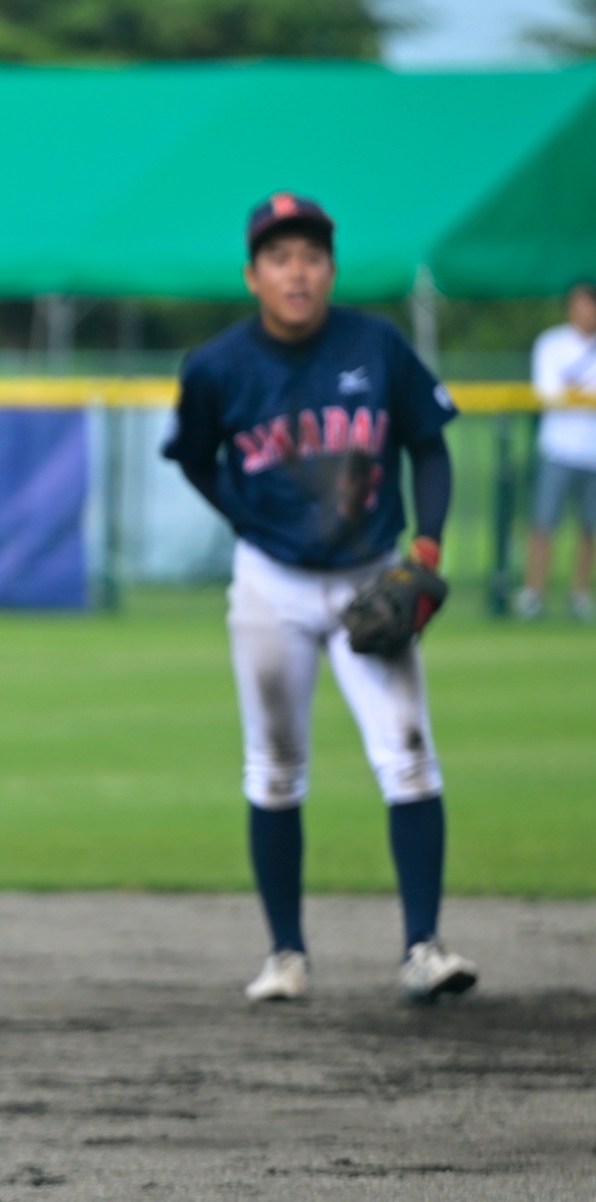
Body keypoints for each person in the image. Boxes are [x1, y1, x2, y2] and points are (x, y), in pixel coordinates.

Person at [164, 193, 478, 1005]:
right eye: (279, 257)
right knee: (274, 767)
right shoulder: (217, 367)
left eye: (310, 256)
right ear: (253, 275)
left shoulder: (375, 344)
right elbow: (194, 457)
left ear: (331, 269)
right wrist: (243, 516)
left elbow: (428, 446)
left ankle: (423, 948)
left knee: (408, 753)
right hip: (271, 583)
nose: (296, 272)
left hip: (372, 574)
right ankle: (286, 956)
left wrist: (428, 544)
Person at [521, 280, 596, 622]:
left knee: (589, 528)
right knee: (543, 522)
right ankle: (533, 593)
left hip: (592, 451)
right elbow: (548, 392)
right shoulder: (552, 343)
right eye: (581, 304)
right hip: (558, 448)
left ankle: (579, 594)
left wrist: (573, 390)